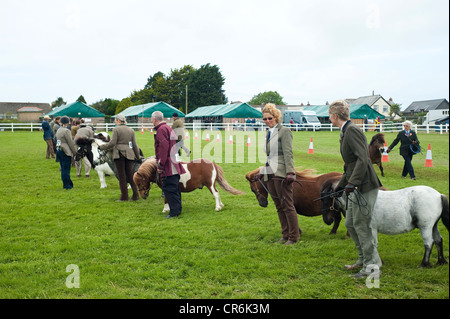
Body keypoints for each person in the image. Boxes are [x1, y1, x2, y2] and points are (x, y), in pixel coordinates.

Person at [328, 100, 383, 279]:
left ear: (335, 116)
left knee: (362, 225)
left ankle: (371, 266)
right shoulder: (345, 131)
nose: (329, 118)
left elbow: (363, 159)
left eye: (329, 115)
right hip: (355, 184)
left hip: (365, 185)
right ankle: (363, 259)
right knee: (350, 223)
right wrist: (341, 186)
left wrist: (354, 183)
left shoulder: (351, 131)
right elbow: (350, 165)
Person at [256, 103, 299, 245]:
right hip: (269, 172)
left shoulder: (284, 131)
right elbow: (269, 155)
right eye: (265, 119)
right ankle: (285, 234)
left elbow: (288, 153)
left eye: (270, 118)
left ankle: (294, 237)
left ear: (276, 117)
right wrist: (262, 171)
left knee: (287, 204)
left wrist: (290, 172)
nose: (267, 121)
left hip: (281, 172)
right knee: (278, 206)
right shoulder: (269, 132)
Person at [152, 111, 186, 218]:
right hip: (174, 161)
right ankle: (177, 209)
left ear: (154, 119)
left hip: (168, 164)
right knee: (175, 187)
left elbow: (164, 147)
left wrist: (160, 164)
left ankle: (174, 212)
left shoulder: (161, 130)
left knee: (169, 188)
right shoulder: (167, 127)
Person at [99, 114, 141, 201]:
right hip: (130, 154)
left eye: (115, 120)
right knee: (130, 175)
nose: (114, 122)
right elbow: (134, 145)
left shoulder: (116, 129)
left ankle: (124, 197)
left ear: (118, 120)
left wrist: (102, 147)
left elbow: (112, 143)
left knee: (122, 176)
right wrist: (138, 156)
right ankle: (135, 195)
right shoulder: (131, 130)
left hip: (119, 154)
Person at [55, 116, 77, 189]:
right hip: (65, 151)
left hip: (59, 150)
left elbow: (56, 140)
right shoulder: (66, 131)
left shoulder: (59, 129)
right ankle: (67, 185)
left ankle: (68, 183)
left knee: (63, 169)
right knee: (66, 169)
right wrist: (74, 152)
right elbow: (70, 142)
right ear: (68, 123)